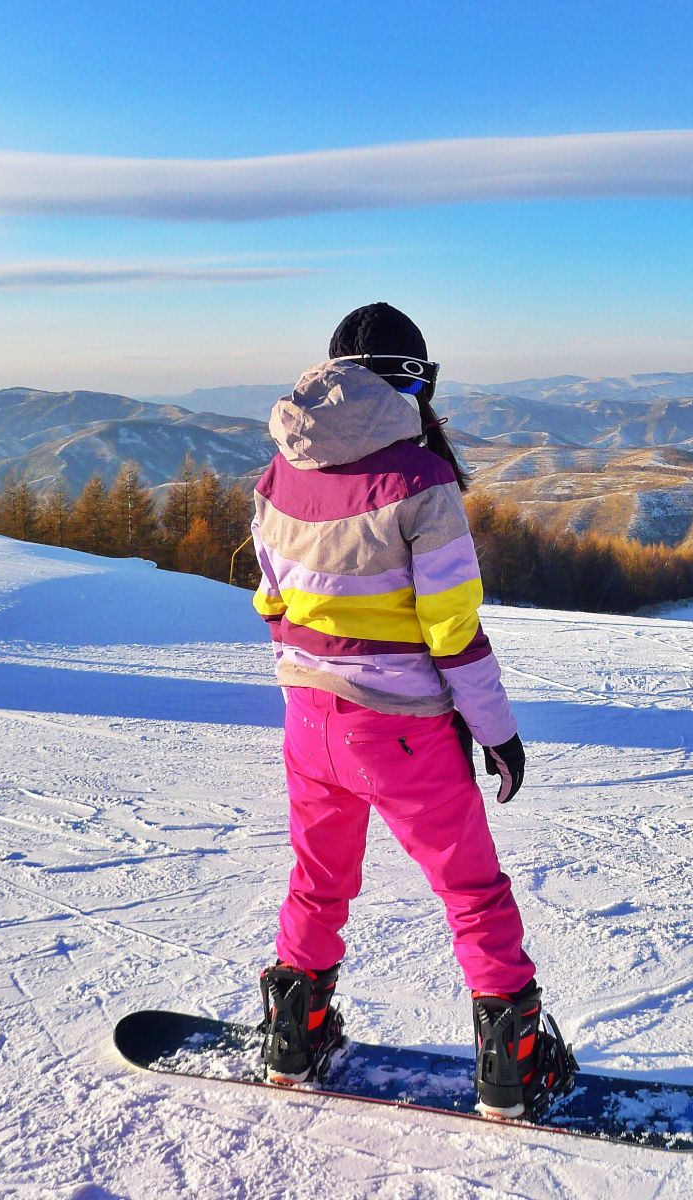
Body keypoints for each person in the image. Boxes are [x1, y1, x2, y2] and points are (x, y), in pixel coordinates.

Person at [248, 302, 575, 1118]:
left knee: (319, 879)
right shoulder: (420, 484)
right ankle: (514, 1065)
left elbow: (270, 599)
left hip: (307, 716)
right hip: (397, 728)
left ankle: (297, 1032)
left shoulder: (279, 470)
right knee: (471, 888)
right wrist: (497, 733)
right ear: (413, 383)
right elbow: (453, 632)